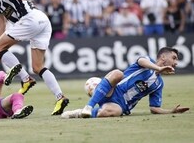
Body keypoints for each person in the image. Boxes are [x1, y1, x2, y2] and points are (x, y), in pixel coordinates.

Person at [61, 47, 190, 119]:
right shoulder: (147, 61)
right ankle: (89, 106)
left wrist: (172, 111)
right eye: (174, 58)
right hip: (113, 89)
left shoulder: (159, 84)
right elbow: (141, 61)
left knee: (110, 113)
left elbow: (154, 108)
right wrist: (159, 68)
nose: (176, 62)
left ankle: (78, 113)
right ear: (163, 57)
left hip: (121, 105)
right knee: (118, 73)